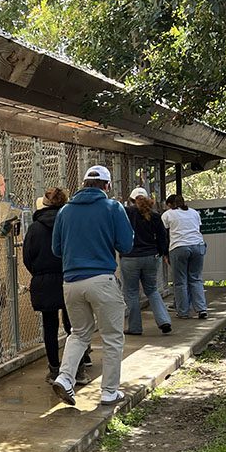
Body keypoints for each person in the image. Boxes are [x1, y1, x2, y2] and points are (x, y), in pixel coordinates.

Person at [51, 165, 134, 407]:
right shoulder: (112, 207)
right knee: (111, 337)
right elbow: (126, 245)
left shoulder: (65, 211)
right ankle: (109, 391)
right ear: (107, 186)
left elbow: (57, 249)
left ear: (84, 184)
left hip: (71, 282)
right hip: (102, 280)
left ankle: (65, 378)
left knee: (78, 333)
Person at [22, 188, 91, 384]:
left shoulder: (35, 228)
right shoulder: (71, 223)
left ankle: (54, 368)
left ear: (44, 203)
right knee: (75, 326)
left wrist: (38, 272)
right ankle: (78, 369)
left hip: (44, 280)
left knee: (50, 325)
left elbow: (27, 256)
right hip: (70, 276)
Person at [121, 187, 172, 335]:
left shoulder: (126, 213)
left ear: (131, 200)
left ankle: (135, 327)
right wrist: (163, 253)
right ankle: (164, 320)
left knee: (131, 293)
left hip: (130, 257)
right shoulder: (155, 216)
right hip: (151, 256)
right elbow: (162, 237)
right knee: (152, 290)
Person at [162, 194, 208, 319]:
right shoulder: (194, 213)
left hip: (179, 247)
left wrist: (165, 253)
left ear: (171, 204)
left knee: (180, 281)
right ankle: (201, 309)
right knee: (196, 278)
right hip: (198, 246)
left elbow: (164, 235)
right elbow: (198, 229)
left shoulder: (168, 215)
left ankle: (183, 311)